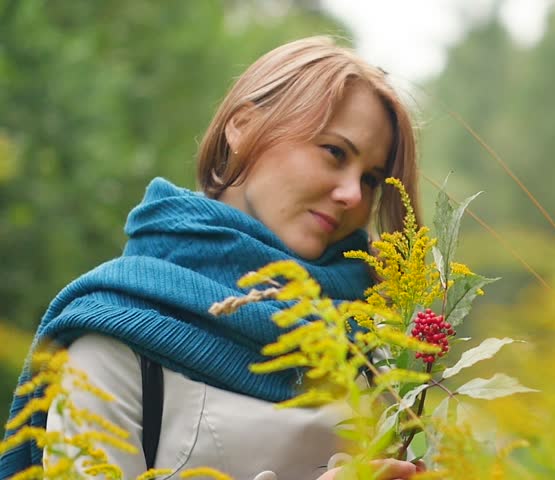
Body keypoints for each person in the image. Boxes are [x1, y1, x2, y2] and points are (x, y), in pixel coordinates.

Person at [0, 36, 425, 480]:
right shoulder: (118, 335)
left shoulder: (375, 341)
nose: (352, 194)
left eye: (372, 178)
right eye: (334, 152)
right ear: (241, 127)